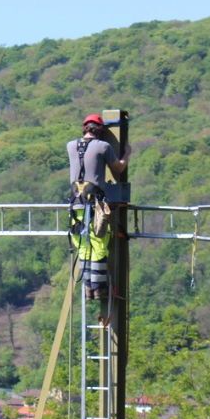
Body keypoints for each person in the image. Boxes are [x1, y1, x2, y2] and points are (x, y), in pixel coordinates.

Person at [67, 114, 129, 303]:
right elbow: (118, 168)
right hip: (95, 205)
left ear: (84, 128)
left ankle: (89, 291)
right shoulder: (103, 146)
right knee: (99, 245)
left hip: (75, 204)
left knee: (84, 247)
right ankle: (99, 290)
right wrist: (127, 154)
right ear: (100, 131)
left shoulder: (70, 146)